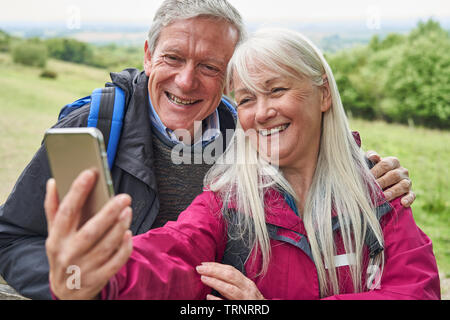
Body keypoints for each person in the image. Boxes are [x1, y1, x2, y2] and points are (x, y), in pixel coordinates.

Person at [0, 0, 414, 300]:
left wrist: (363, 168)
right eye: (173, 58)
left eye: (210, 67)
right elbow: (172, 253)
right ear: (148, 56)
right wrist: (80, 280)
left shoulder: (248, 144)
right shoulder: (95, 126)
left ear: (229, 75)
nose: (185, 81)